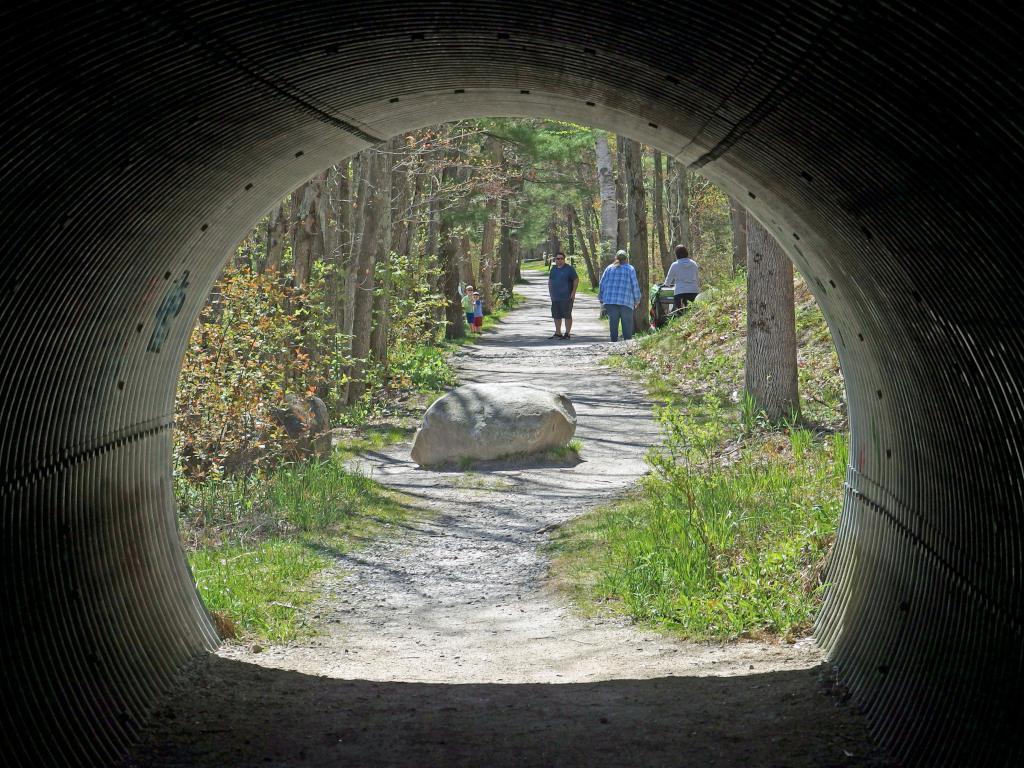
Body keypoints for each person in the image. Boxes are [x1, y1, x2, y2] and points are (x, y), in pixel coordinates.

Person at [598, 249, 642, 341]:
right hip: (625, 301)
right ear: (626, 259)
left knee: (613, 324)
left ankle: (613, 343)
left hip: (610, 301)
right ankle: (627, 346)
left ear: (616, 258)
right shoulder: (630, 269)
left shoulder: (609, 268)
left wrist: (601, 297)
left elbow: (602, 283)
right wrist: (637, 299)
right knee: (627, 324)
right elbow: (634, 285)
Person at [547, 250, 579, 339]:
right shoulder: (553, 269)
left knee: (567, 315)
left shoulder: (569, 268)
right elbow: (550, 281)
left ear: (564, 259)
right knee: (556, 315)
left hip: (567, 296)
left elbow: (576, 280)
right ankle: (558, 332)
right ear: (555, 259)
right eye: (558, 259)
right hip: (555, 297)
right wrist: (550, 292)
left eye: (561, 258)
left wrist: (573, 292)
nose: (559, 260)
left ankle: (567, 333)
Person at [663, 244, 699, 311]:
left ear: (677, 254)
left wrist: (666, 285)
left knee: (680, 314)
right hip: (694, 291)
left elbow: (668, 280)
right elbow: (697, 279)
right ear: (686, 253)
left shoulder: (674, 265)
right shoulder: (694, 264)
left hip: (680, 292)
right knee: (693, 312)